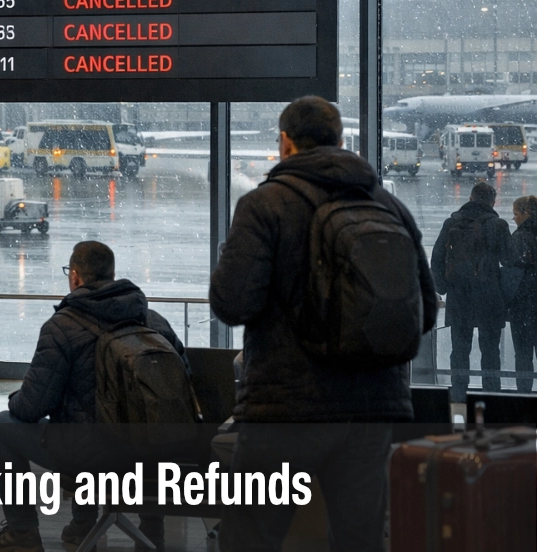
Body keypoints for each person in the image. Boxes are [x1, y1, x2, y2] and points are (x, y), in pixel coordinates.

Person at [210, 96, 438, 552]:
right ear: (339, 140)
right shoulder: (389, 205)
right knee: (360, 541)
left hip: (285, 409)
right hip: (372, 410)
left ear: (285, 142)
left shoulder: (265, 204)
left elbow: (232, 303)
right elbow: (426, 311)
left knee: (250, 538)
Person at [0, 241, 188, 552]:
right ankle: (149, 535)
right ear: (113, 275)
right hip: (154, 458)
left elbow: (32, 406)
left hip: (94, 458)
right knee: (139, 420)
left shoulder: (62, 327)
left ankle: (23, 531)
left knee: (2, 427)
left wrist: (16, 398)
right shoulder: (152, 320)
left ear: (75, 277)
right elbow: (179, 381)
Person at [431, 181, 512, 401]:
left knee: (459, 351)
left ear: (470, 198)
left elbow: (437, 258)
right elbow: (509, 260)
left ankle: (459, 399)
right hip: (489, 296)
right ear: (492, 202)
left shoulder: (452, 222)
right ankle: (491, 398)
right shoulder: (499, 225)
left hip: (459, 296)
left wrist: (443, 287)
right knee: (490, 351)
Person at [506, 195, 537, 393]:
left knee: (523, 355)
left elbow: (512, 273)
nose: (515, 219)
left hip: (524, 307)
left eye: (516, 214)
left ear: (526, 214)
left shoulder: (519, 238)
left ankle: (524, 399)